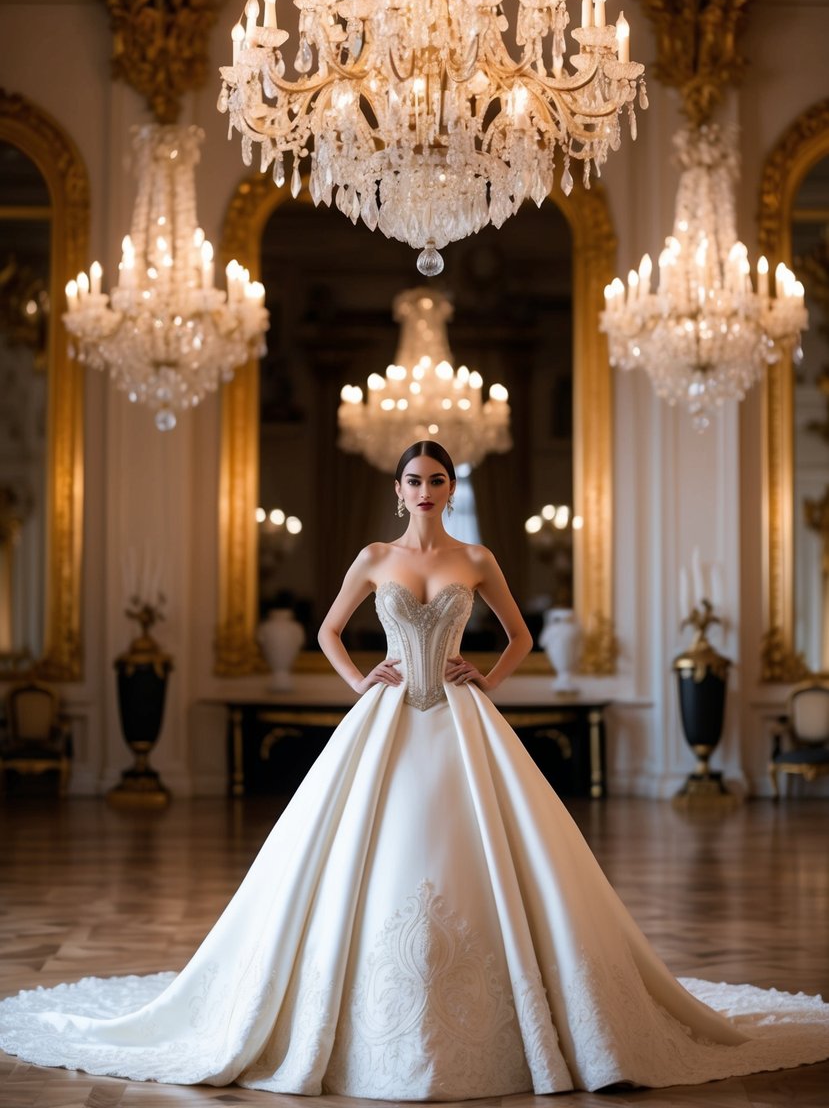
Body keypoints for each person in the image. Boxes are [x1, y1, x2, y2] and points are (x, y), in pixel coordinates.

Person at [0, 439, 828, 1099]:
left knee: (491, 858)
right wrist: (363, 680)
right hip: (388, 719)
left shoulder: (476, 557)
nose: (425, 489)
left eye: (436, 478)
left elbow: (520, 636)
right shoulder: (370, 557)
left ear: (448, 485)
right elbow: (328, 631)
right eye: (413, 479)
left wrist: (487, 677)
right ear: (396, 488)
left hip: (462, 721)